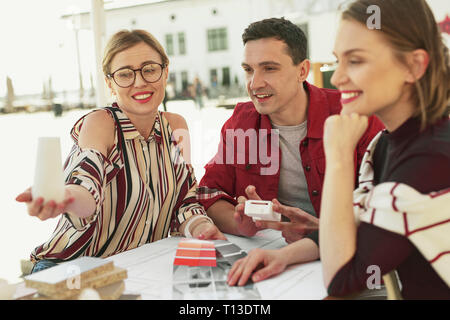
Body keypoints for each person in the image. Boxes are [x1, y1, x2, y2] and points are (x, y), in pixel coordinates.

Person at [229, 0, 450, 299]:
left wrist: (338, 158)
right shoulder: (388, 142)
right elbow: (363, 232)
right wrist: (285, 256)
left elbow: (342, 279)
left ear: (413, 65)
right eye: (339, 60)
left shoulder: (431, 158)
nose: (337, 77)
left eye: (356, 61)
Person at [16, 29, 225, 274]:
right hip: (70, 270)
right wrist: (65, 197)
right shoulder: (100, 123)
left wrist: (201, 226)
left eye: (149, 69)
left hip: (135, 268)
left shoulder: (177, 126)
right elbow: (86, 188)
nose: (139, 82)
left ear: (165, 71)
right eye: (125, 74)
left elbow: (184, 201)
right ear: (110, 83)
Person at [197, 17, 384, 252]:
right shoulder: (239, 123)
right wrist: (242, 225)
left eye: (269, 68)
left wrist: (322, 233)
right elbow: (209, 194)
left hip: (350, 255)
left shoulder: (355, 115)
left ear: (302, 70)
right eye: (248, 70)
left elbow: (387, 209)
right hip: (274, 255)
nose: (254, 84)